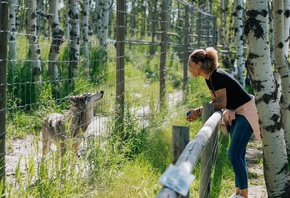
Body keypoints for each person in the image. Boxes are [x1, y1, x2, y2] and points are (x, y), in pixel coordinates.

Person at [186, 47, 261, 198]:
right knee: (237, 154)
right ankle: (239, 192)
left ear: (199, 64)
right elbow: (217, 102)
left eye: (190, 65)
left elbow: (221, 103)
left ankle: (244, 195)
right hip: (236, 112)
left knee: (234, 154)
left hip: (245, 112)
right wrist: (199, 110)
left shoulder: (216, 76)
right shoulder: (210, 79)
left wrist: (199, 111)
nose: (189, 69)